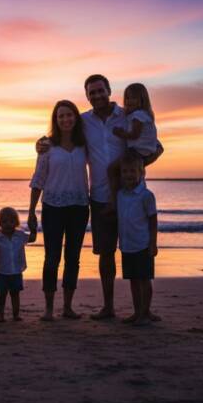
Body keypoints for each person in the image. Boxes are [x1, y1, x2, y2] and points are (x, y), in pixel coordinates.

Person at [36, 74, 163, 320]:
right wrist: (40, 143)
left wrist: (144, 160)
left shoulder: (128, 115)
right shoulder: (83, 121)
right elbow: (60, 133)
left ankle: (144, 309)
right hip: (100, 196)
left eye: (100, 91)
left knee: (138, 250)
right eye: (91, 93)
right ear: (87, 96)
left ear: (108, 91)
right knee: (106, 254)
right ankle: (108, 307)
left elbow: (154, 144)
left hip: (132, 195)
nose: (96, 96)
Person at [29, 100, 90, 321]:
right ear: (56, 120)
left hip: (80, 207)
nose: (66, 119)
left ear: (76, 117)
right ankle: (48, 309)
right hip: (52, 207)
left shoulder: (85, 145)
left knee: (73, 258)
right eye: (61, 116)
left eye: (69, 115)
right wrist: (31, 211)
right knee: (52, 258)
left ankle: (67, 307)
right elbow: (39, 178)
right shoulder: (47, 146)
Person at [116, 151, 159, 326]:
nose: (129, 175)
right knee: (133, 279)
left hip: (142, 244)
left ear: (142, 173)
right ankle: (137, 312)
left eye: (133, 171)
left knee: (144, 279)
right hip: (127, 245)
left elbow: (153, 220)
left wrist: (153, 243)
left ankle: (145, 312)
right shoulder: (120, 194)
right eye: (125, 171)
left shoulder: (146, 195)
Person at [107, 83, 162, 208]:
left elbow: (134, 135)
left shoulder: (138, 115)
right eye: (127, 98)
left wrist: (120, 133)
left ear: (142, 100)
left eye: (133, 98)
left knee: (112, 170)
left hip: (137, 151)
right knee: (133, 174)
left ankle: (113, 199)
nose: (129, 101)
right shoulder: (140, 115)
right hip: (143, 150)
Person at [0, 207, 36, 322]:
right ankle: (0, 315)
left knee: (15, 294)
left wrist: (33, 228)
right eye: (4, 222)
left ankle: (15, 315)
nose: (8, 224)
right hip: (2, 271)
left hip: (17, 271)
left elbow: (32, 238)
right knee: (2, 294)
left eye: (11, 221)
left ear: (16, 223)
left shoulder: (20, 235)